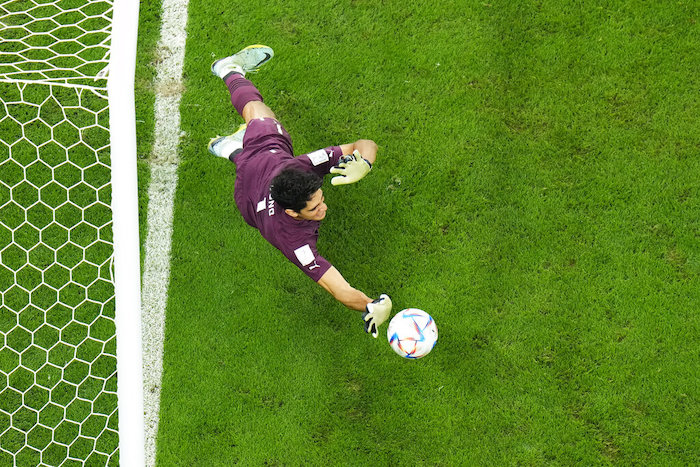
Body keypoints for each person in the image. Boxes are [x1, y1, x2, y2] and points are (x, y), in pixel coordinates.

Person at [207, 45, 392, 337]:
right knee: (254, 128)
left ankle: (230, 116)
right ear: (293, 212)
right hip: (249, 197)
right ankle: (228, 82)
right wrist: (371, 304)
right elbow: (338, 288)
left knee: (254, 129)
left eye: (321, 198)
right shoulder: (294, 240)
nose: (324, 208)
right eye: (316, 209)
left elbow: (364, 144)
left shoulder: (303, 167)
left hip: (261, 164)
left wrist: (364, 162)